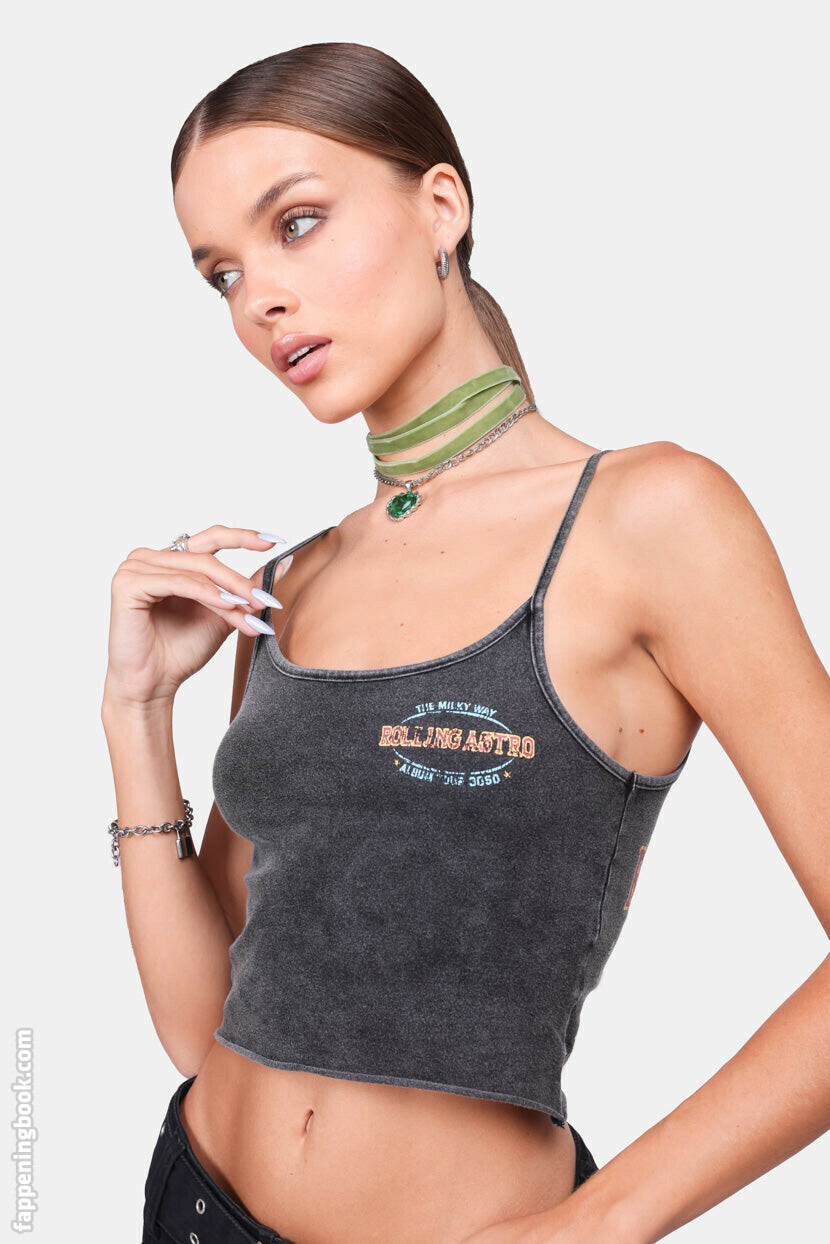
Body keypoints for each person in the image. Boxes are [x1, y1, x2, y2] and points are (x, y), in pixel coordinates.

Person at [102, 41, 829, 1244]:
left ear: (440, 205)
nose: (258, 299)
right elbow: (203, 1023)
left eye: (296, 224)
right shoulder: (293, 582)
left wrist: (599, 1222)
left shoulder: (649, 517)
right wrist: (135, 718)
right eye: (221, 272)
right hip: (194, 1203)